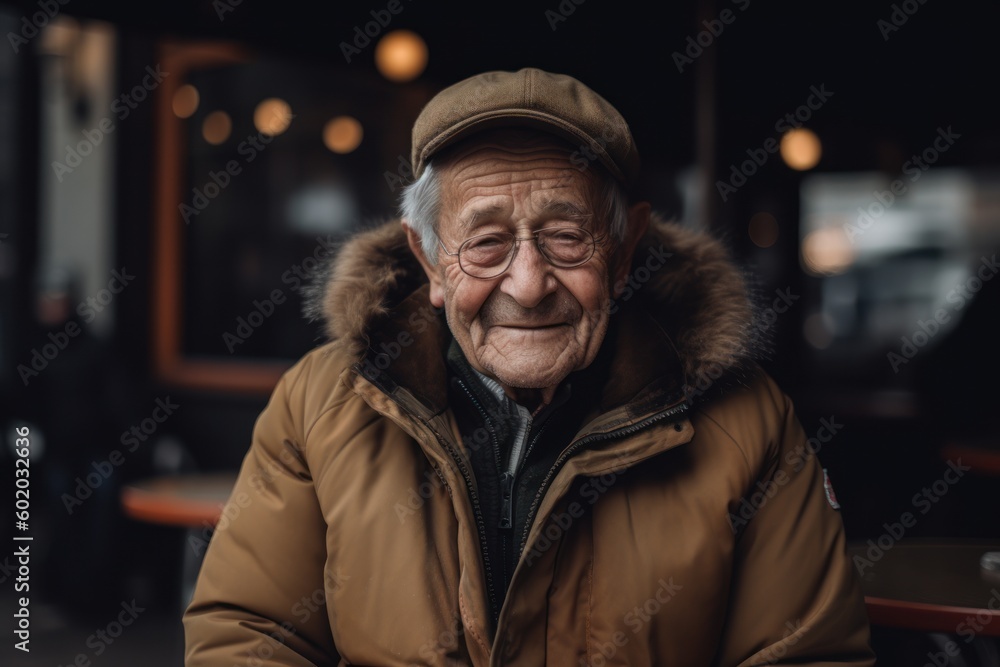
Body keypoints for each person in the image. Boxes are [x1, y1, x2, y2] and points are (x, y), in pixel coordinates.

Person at [183, 68, 874, 665]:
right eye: (485, 243)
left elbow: (807, 654)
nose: (529, 282)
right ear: (428, 261)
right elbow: (252, 631)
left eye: (566, 237)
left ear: (625, 250)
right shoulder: (320, 402)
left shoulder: (747, 423)